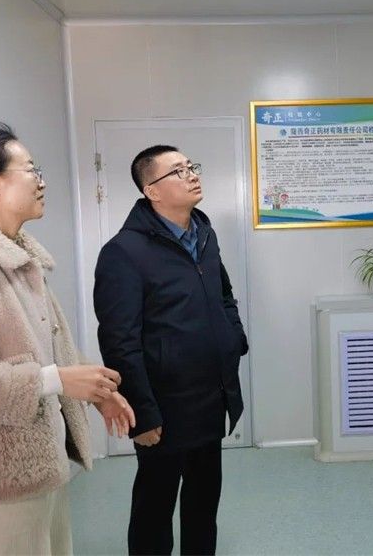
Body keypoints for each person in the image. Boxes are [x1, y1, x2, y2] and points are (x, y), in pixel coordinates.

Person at [0, 122, 135, 555]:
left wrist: (93, 389)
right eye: (32, 170)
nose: (42, 182)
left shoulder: (13, 256)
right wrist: (56, 380)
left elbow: (47, 346)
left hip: (33, 469)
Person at [93, 145, 248, 555]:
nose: (192, 175)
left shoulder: (204, 233)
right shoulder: (124, 252)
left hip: (211, 395)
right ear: (152, 191)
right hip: (164, 405)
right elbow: (119, 340)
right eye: (178, 171)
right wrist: (142, 415)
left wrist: (234, 339)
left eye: (191, 166)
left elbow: (224, 294)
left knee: (203, 503)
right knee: (155, 506)